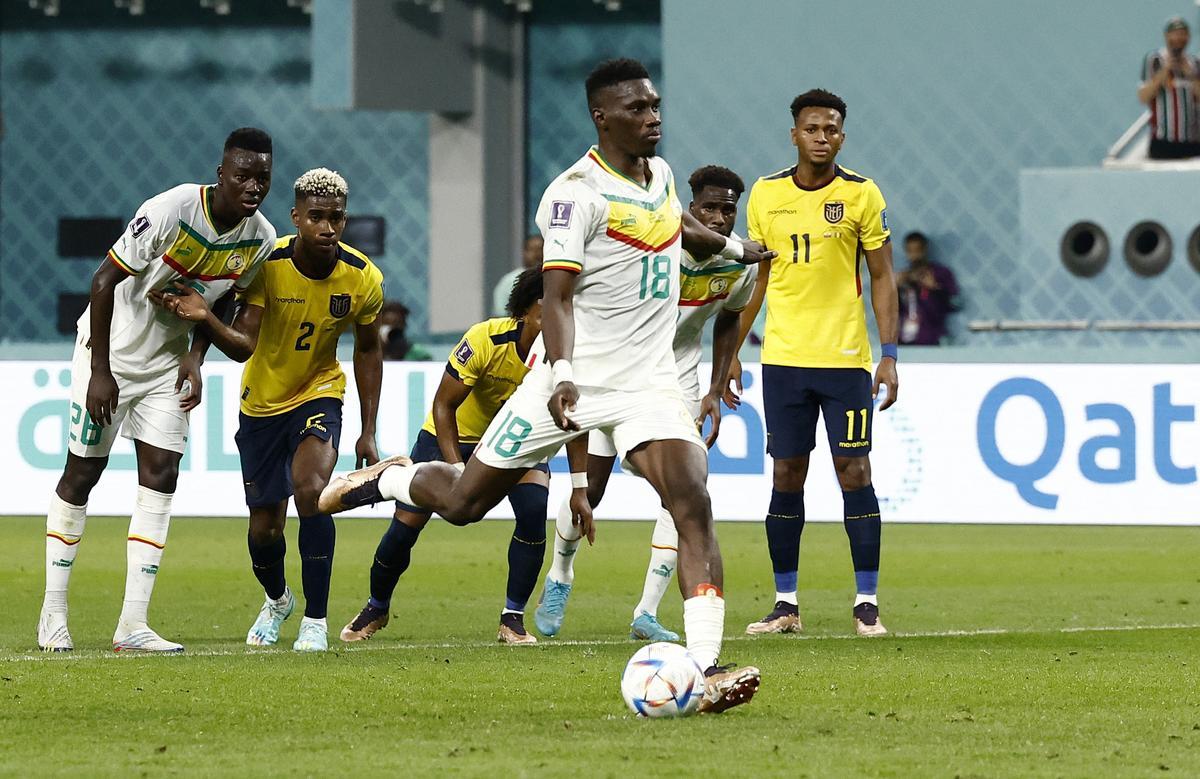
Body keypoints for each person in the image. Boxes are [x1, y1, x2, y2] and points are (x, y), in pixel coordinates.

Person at [318, 58, 774, 713]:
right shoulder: (574, 195)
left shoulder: (663, 176)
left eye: (655, 106)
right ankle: (389, 477)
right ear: (602, 117)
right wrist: (560, 375)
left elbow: (684, 230)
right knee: (466, 502)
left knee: (691, 496)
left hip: (647, 381)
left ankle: (701, 672)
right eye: (639, 110)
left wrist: (737, 251)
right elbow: (556, 296)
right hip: (572, 378)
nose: (654, 118)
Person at [37, 128, 277, 653]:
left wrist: (194, 357)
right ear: (221, 173)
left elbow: (224, 315)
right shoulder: (170, 210)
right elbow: (103, 281)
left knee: (162, 475)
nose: (253, 186)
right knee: (83, 472)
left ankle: (132, 625)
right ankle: (53, 613)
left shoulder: (259, 240)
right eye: (243, 175)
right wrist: (101, 370)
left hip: (167, 366)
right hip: (109, 355)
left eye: (263, 176)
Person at [158, 168, 384, 652]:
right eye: (317, 217)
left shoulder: (364, 278)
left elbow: (368, 350)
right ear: (296, 217)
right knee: (265, 529)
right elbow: (242, 346)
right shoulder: (267, 263)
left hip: (320, 392)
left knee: (313, 492)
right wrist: (199, 339)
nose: (327, 228)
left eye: (336, 218)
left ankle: (315, 622)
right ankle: (279, 598)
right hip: (261, 403)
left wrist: (368, 429)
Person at [533, 164, 758, 644]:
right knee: (589, 490)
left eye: (728, 210)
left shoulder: (740, 265)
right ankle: (560, 574)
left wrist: (715, 387)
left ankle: (647, 611)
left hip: (670, 385)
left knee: (684, 493)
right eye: (710, 208)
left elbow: (729, 321)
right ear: (688, 209)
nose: (719, 219)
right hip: (614, 373)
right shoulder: (659, 244)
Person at [740, 88, 898, 638]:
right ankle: (786, 604)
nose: (822, 137)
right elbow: (756, 281)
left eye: (831, 129)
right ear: (795, 134)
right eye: (812, 129)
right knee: (787, 472)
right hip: (783, 359)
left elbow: (882, 276)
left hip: (846, 361)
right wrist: (732, 354)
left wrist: (890, 356)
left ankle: (866, 603)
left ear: (842, 136)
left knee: (854, 472)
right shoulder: (764, 195)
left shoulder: (861, 195)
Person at [340, 268, 549, 646]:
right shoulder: (485, 338)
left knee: (534, 511)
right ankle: (376, 606)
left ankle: (512, 619)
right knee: (404, 530)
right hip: (449, 437)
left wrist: (581, 484)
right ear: (527, 309)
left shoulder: (562, 356)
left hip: (515, 442)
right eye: (553, 304)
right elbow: (443, 405)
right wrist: (457, 470)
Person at [1138, 16, 1200, 160]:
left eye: (1183, 33)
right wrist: (1166, 70)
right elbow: (1143, 96)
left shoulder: (1195, 63)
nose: (1179, 38)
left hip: (1191, 140)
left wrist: (1189, 74)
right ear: (1167, 36)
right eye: (1175, 33)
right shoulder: (1154, 60)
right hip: (1163, 141)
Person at [896, 231, 961, 345]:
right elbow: (894, 310)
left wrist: (935, 288)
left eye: (917, 250)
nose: (914, 256)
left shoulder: (940, 273)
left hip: (932, 338)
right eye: (910, 251)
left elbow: (955, 304)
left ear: (925, 250)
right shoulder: (904, 277)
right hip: (906, 339)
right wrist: (895, 289)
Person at [491, 235, 544, 316]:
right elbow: (500, 314)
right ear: (524, 252)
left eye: (540, 249)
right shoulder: (508, 281)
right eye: (532, 250)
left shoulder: (553, 279)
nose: (537, 254)